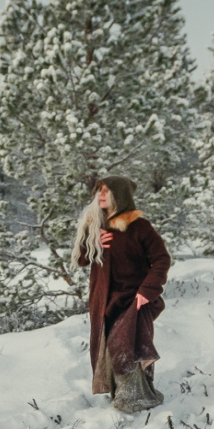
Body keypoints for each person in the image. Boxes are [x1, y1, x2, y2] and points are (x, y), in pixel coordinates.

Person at [71, 175, 171, 412]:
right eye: (100, 190)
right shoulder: (96, 224)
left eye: (107, 190)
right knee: (108, 346)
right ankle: (120, 394)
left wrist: (147, 291)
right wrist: (92, 239)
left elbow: (161, 259)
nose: (101, 194)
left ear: (121, 196)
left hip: (133, 299)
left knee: (126, 344)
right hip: (103, 300)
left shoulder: (139, 226)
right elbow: (83, 260)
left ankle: (137, 397)